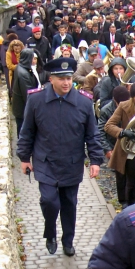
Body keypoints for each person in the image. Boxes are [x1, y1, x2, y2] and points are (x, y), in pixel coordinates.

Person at [16, 57, 103, 256]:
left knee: (69, 203)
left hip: (71, 163)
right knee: (49, 201)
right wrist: (23, 157)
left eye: (69, 78)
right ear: (51, 79)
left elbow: (92, 134)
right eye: (61, 78)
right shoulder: (36, 100)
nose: (66, 83)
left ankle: (68, 240)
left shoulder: (83, 102)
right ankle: (50, 233)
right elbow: (27, 131)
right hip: (45, 162)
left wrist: (95, 160)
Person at [105, 82, 135, 207]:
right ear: (132, 98)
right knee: (130, 181)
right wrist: (123, 132)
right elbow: (108, 126)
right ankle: (128, 205)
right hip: (129, 149)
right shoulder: (123, 106)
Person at [98, 85, 131, 203]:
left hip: (129, 145)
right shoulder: (106, 110)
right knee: (120, 175)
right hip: (114, 145)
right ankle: (123, 201)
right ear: (115, 101)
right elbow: (101, 131)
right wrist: (107, 149)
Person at [11, 47, 46, 137]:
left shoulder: (21, 67)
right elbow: (28, 95)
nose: (34, 60)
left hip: (20, 107)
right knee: (23, 131)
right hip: (22, 109)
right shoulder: (24, 74)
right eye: (32, 58)